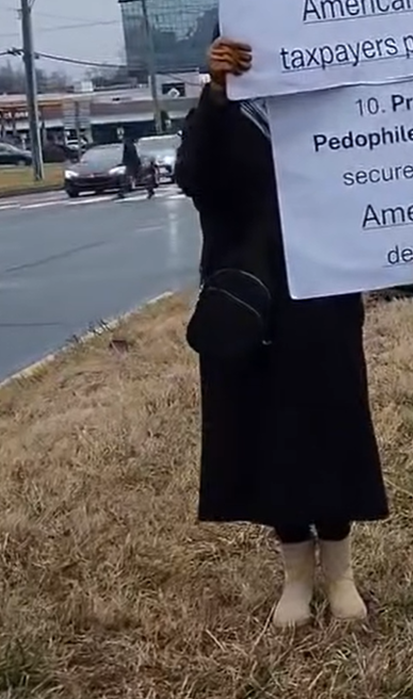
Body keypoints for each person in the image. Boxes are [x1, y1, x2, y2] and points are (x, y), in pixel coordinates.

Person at [174, 35, 389, 628]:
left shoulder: (335, 109)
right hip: (249, 293)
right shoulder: (226, 115)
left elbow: (387, 188)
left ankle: (340, 572)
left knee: (333, 421)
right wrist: (215, 94)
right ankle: (296, 576)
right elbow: (192, 176)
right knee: (268, 429)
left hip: (324, 290)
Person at [118, 131, 142, 199]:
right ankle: (123, 191)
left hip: (130, 164)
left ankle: (123, 191)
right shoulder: (130, 145)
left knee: (129, 177)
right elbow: (133, 155)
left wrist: (124, 162)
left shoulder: (127, 145)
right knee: (131, 177)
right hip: (132, 163)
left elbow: (127, 155)